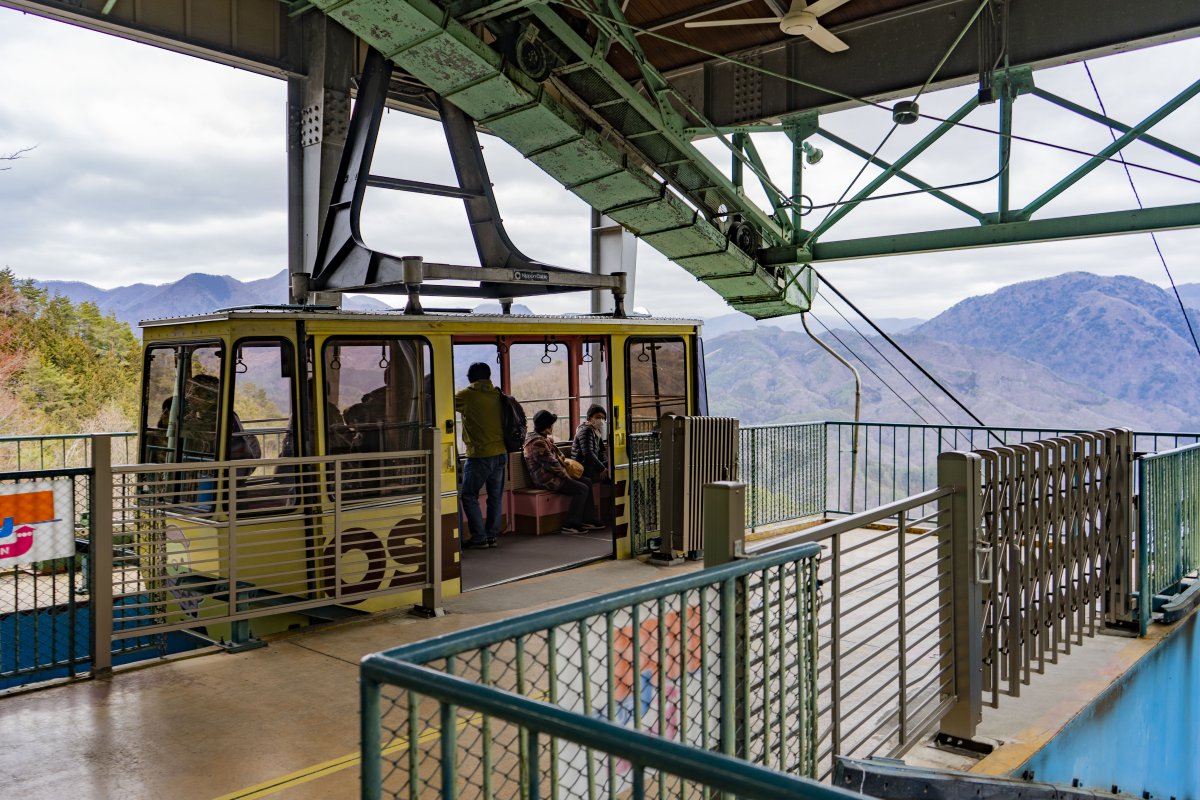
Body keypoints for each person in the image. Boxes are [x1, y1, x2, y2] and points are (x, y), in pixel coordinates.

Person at [523, 409, 604, 534]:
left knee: (587, 481)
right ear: (546, 426)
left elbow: (559, 457)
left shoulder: (543, 439)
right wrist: (567, 476)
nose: (552, 427)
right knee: (581, 489)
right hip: (546, 479)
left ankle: (588, 519)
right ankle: (571, 524)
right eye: (551, 424)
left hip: (554, 474)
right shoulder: (537, 443)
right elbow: (553, 464)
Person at [454, 362, 507, 549]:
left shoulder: (466, 395)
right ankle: (492, 536)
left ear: (470, 377)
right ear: (489, 376)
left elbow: (442, 402)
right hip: (501, 453)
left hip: (480, 455)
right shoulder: (498, 395)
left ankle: (479, 538)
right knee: (495, 497)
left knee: (468, 495)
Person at [572, 404, 609, 483]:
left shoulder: (596, 431)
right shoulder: (586, 430)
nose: (601, 420)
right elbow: (588, 454)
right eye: (598, 417)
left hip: (590, 465)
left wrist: (605, 463)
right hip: (583, 467)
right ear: (589, 418)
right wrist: (602, 468)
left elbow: (601, 451)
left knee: (613, 464)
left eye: (603, 418)